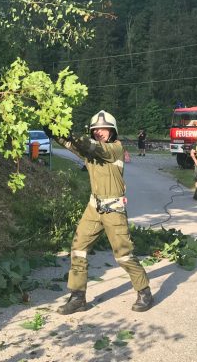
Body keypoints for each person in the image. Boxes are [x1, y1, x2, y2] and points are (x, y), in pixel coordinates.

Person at [53, 110, 153, 315]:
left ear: (112, 131)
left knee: (123, 255)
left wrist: (71, 132)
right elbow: (71, 144)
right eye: (95, 129)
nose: (98, 132)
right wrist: (53, 129)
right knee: (78, 248)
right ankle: (78, 297)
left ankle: (144, 292)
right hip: (93, 207)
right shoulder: (91, 153)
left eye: (103, 129)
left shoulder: (115, 148)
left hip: (114, 209)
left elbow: (89, 145)